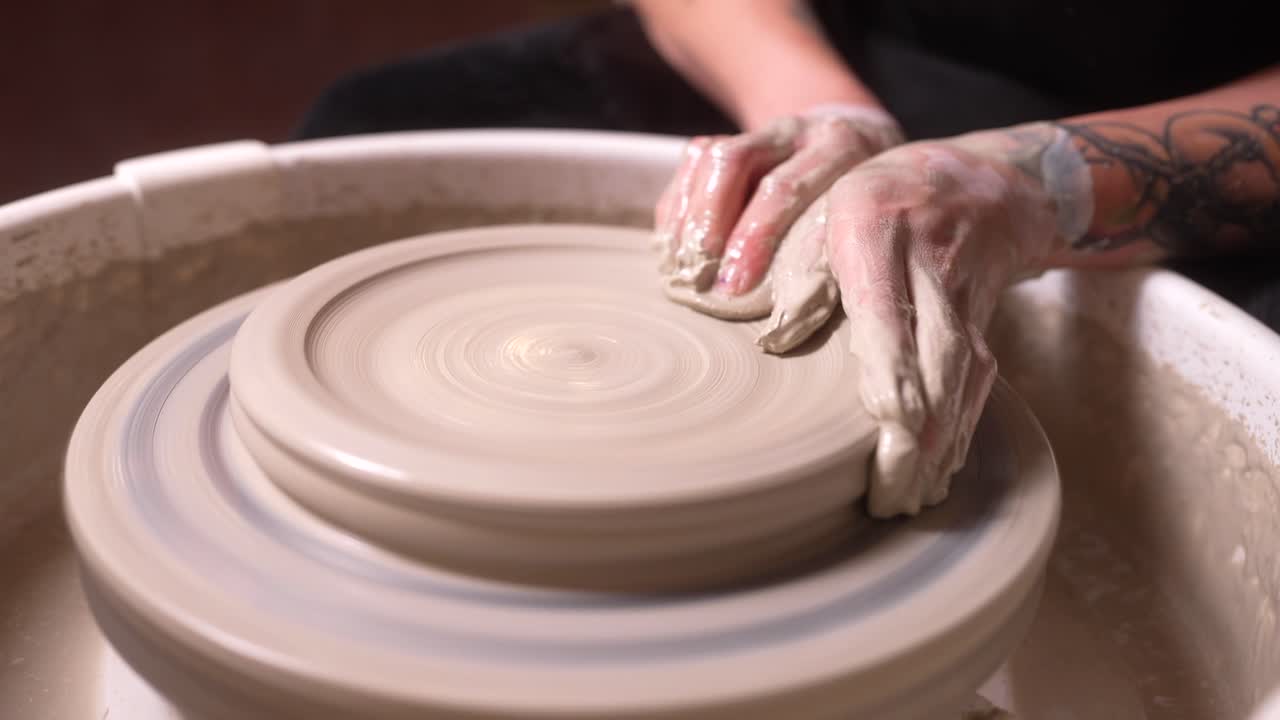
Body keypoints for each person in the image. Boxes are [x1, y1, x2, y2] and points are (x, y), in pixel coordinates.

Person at [295, 1, 1280, 516]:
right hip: (850, 54)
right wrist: (810, 104)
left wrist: (1029, 186)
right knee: (371, 126)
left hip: (1195, 128)